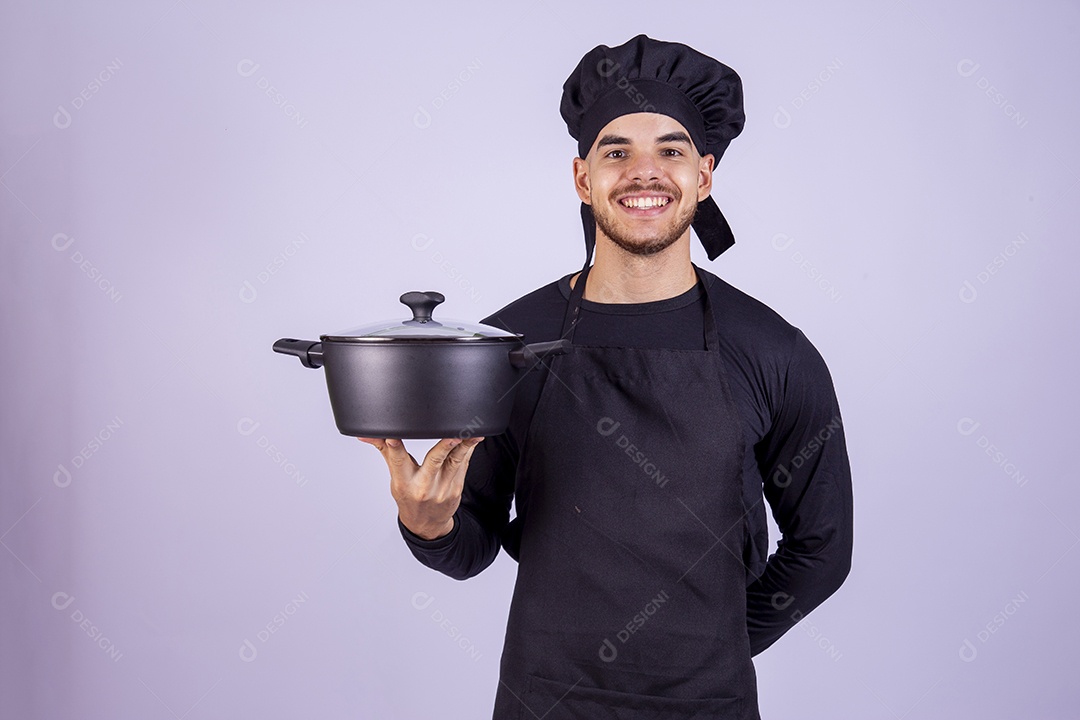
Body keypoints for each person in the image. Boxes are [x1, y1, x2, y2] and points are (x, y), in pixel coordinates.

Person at [360, 34, 853, 720]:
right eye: (616, 151)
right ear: (582, 177)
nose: (643, 172)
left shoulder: (774, 351)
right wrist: (428, 522)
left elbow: (823, 549)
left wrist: (720, 650)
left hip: (708, 706)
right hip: (543, 701)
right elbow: (469, 546)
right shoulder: (507, 346)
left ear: (703, 176)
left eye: (670, 151)